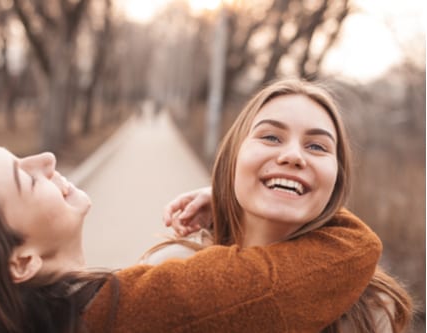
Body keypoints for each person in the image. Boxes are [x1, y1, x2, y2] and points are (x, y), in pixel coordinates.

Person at [0, 137, 383, 333]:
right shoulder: (136, 311)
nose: (45, 158)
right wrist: (233, 202)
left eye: (23, 156)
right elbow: (350, 251)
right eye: (25, 177)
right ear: (21, 261)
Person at [149, 79, 413, 332]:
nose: (293, 156)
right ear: (234, 157)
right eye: (272, 138)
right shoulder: (168, 269)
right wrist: (226, 193)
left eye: (317, 146)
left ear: (336, 180)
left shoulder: (369, 309)